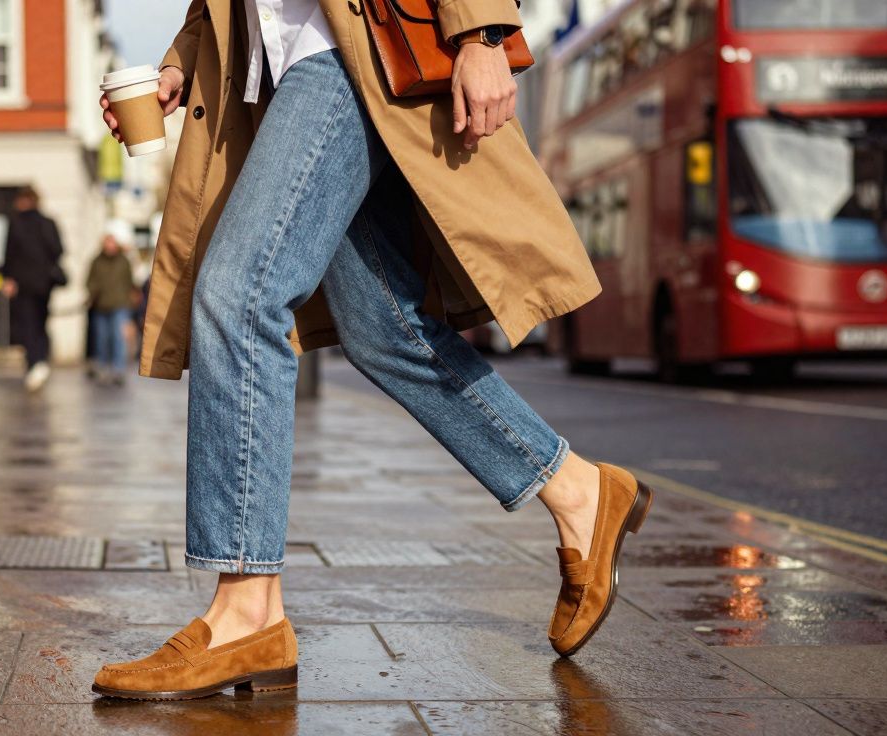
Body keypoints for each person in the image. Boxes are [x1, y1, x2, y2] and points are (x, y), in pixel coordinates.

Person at [92, 0, 654, 700]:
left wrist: (480, 31)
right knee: (384, 329)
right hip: (281, 65)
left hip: (347, 46)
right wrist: (182, 59)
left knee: (239, 299)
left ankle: (244, 611)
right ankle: (578, 489)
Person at [0, 187, 65, 392]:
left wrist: (8, 278)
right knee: (40, 321)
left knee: (28, 324)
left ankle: (35, 363)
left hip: (24, 284)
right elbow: (58, 250)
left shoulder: (16, 223)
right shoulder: (47, 223)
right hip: (44, 283)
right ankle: (40, 361)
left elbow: (8, 254)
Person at [85, 220, 138, 385]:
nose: (109, 245)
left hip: (119, 305)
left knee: (118, 338)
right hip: (100, 305)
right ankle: (101, 367)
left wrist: (132, 298)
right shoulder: (96, 261)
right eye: (107, 242)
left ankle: (118, 370)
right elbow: (89, 281)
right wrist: (92, 293)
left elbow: (130, 282)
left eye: (112, 242)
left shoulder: (124, 261)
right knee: (101, 338)